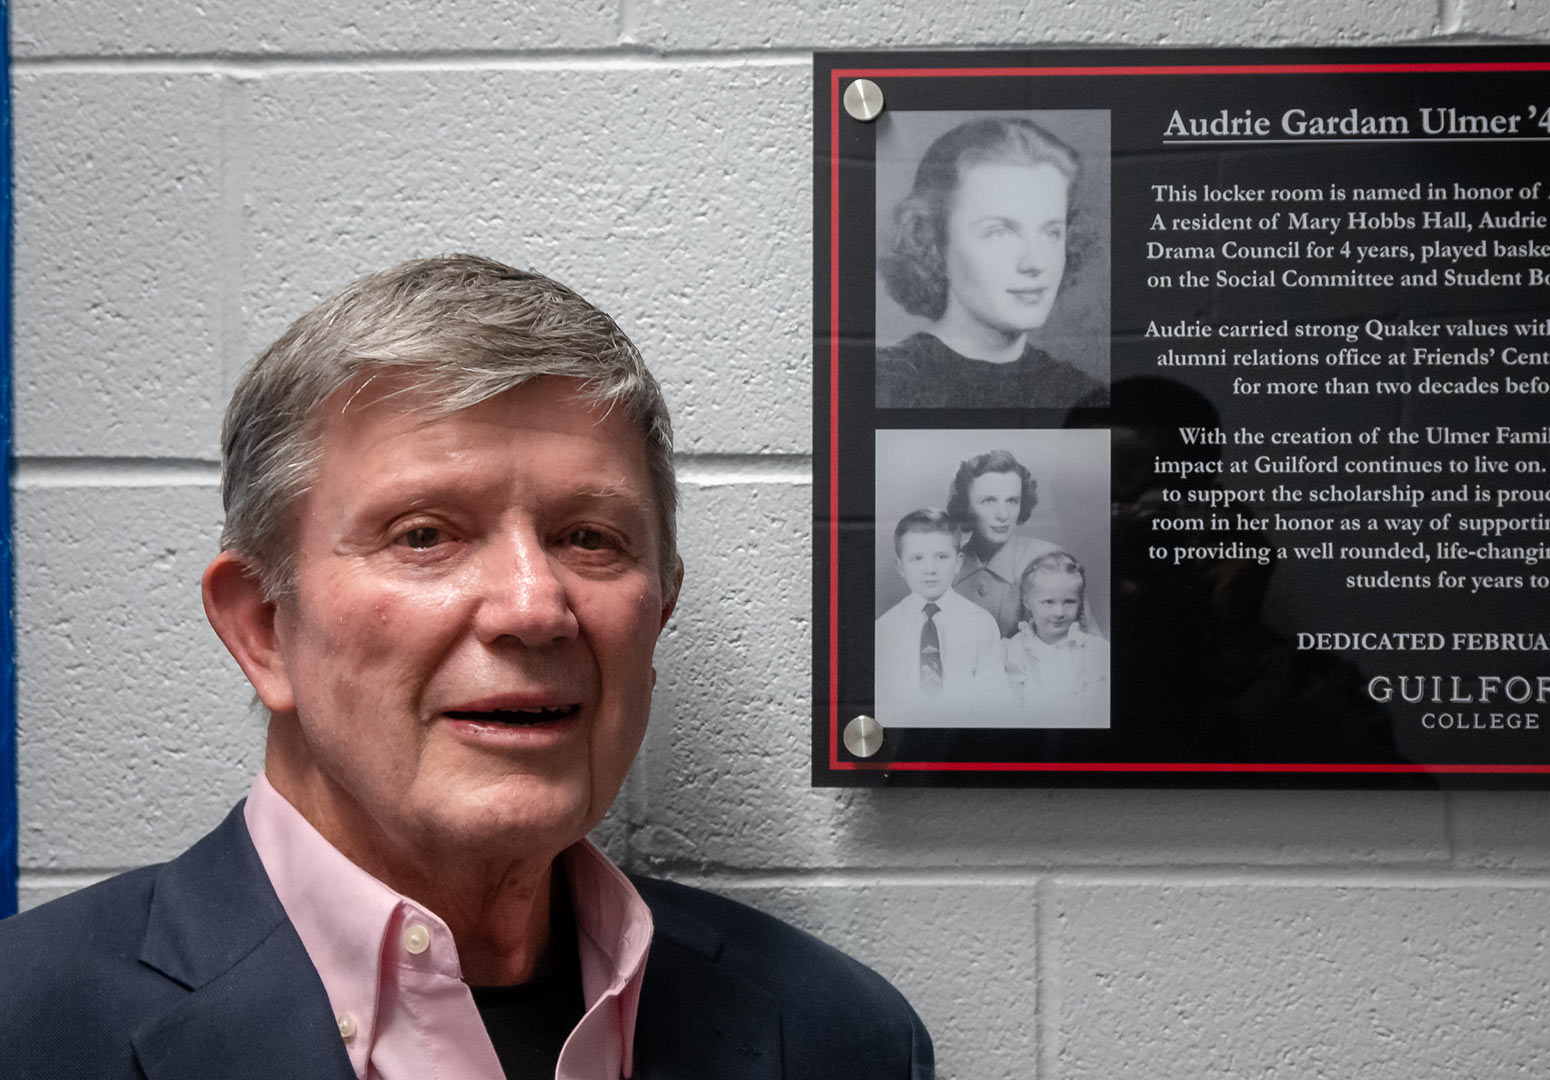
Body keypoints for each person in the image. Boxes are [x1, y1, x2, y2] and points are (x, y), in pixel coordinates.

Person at [0, 255, 934, 1079]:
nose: (534, 607)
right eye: (424, 536)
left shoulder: (838, 1036)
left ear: (660, 610)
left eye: (590, 538)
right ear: (263, 630)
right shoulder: (27, 1028)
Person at [876, 116, 1107, 409]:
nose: (1035, 262)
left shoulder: (1085, 396)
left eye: (1051, 232)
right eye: (999, 232)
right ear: (932, 242)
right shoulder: (886, 383)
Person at [873, 509, 1007, 724]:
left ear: (957, 562)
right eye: (917, 558)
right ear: (900, 566)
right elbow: (881, 703)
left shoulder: (981, 624)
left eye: (941, 557)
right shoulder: (884, 629)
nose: (930, 569)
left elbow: (994, 697)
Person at [947, 449, 1061, 638]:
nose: (1003, 515)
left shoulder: (1050, 561)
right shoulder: (944, 566)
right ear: (966, 506)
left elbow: (1080, 651)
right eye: (989, 501)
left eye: (1012, 501)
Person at [1004, 552, 1110, 727]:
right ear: (1027, 602)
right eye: (1048, 602)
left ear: (1080, 603)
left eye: (1069, 602)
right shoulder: (1012, 651)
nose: (1059, 613)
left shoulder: (1096, 651)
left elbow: (1100, 713)